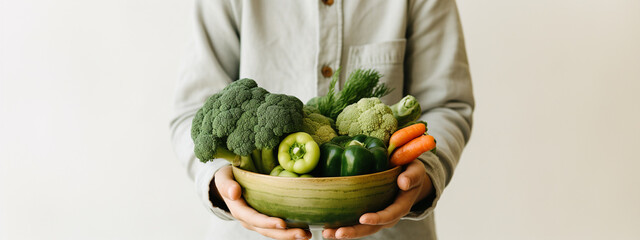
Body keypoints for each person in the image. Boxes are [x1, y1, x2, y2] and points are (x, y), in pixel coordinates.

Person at [170, 0, 474, 239]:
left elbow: (448, 103)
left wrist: (422, 182)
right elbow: (192, 111)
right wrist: (217, 180)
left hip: (392, 232)